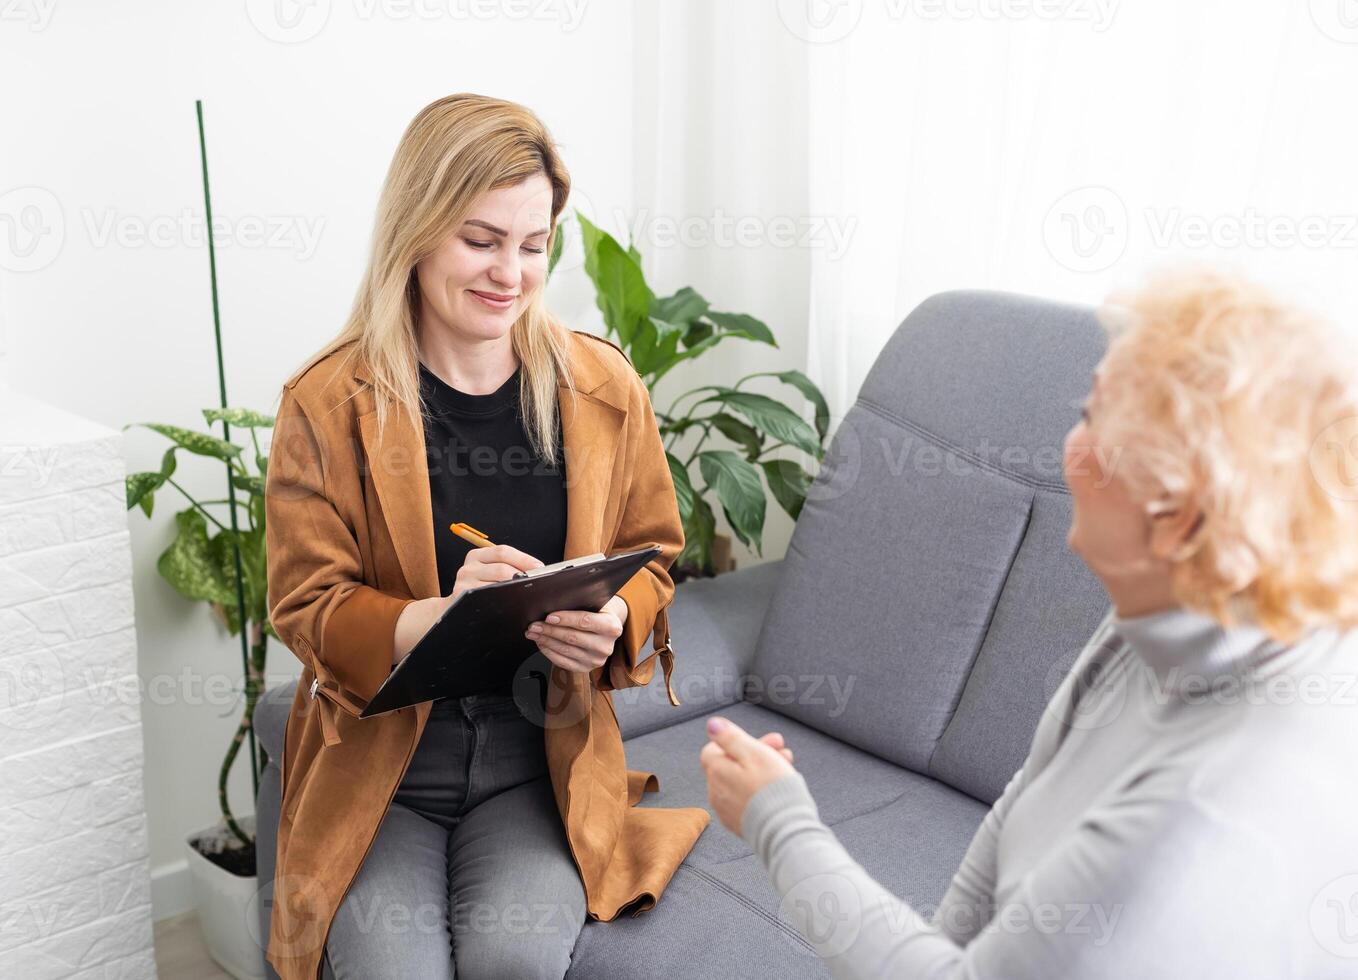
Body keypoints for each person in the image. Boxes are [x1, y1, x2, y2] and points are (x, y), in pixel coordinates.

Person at [699, 267, 1358, 977]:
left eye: (1090, 417)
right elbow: (1026, 801)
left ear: (1173, 514)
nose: (1065, 449)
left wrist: (778, 820)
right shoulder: (1172, 610)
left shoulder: (1195, 822)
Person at [264, 93, 705, 980]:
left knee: (515, 962)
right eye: (481, 240)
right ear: (417, 231)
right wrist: (436, 616)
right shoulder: (327, 404)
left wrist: (614, 616)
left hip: (538, 757)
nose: (511, 271)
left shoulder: (604, 389)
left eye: (533, 245)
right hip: (385, 767)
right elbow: (306, 603)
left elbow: (654, 549)